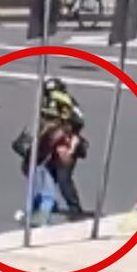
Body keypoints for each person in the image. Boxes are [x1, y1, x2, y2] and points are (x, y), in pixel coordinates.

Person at [41, 77, 86, 218]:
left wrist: (71, 148)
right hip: (56, 148)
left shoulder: (68, 116)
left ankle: (75, 208)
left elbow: (75, 131)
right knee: (49, 174)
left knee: (63, 178)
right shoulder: (64, 109)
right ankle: (49, 203)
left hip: (65, 149)